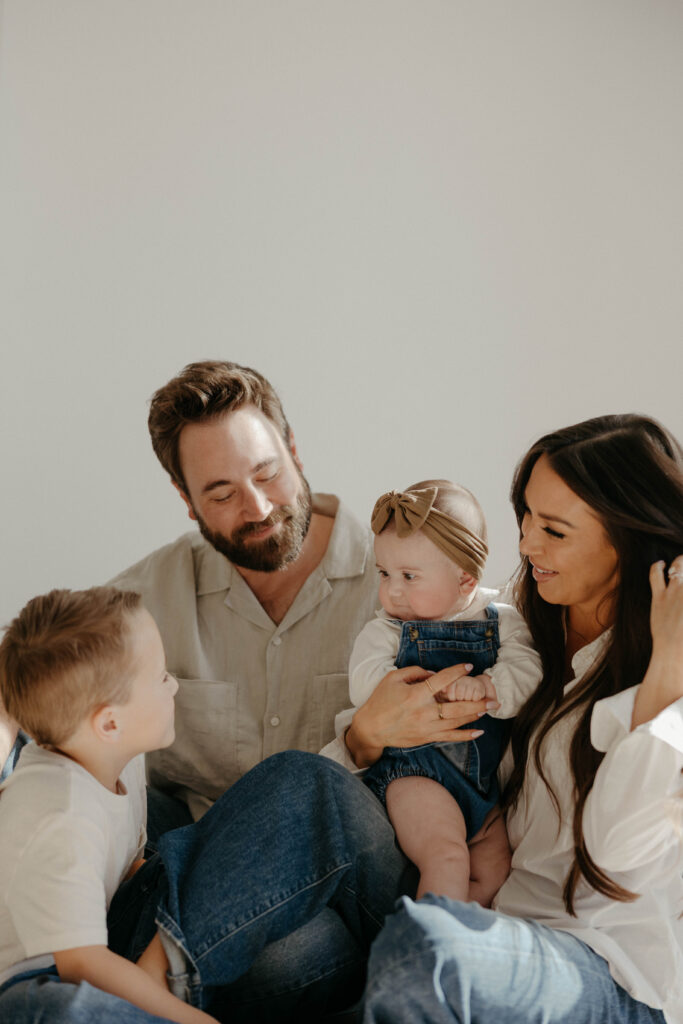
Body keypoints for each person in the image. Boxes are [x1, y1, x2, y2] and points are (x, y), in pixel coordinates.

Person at [358, 413, 683, 1024]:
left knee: (430, 949)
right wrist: (362, 738)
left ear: (628, 537)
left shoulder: (672, 669)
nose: (527, 544)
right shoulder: (517, 635)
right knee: (303, 793)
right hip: (499, 923)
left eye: (554, 530)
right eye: (526, 518)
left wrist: (668, 672)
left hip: (610, 972)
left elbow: (616, 853)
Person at [0, 586, 417, 1024]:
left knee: (305, 799)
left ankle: (429, 949)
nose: (174, 685)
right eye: (161, 677)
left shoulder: (110, 755)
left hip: (124, 929)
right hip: (61, 979)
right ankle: (433, 958)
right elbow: (83, 967)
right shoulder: (60, 814)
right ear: (110, 722)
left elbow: (131, 873)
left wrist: (222, 879)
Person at [109, 360, 382, 825]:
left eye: (267, 474)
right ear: (186, 499)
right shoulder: (146, 598)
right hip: (194, 849)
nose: (257, 508)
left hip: (342, 855)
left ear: (293, 451)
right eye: (221, 495)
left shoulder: (399, 584)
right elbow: (31, 666)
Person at [324, 479, 541, 905]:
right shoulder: (386, 629)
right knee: (446, 857)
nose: (393, 591)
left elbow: (528, 672)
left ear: (465, 580)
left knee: (495, 874)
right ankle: (425, 950)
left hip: (486, 788)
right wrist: (427, 691)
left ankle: (457, 951)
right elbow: (365, 682)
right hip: (416, 778)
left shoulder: (505, 621)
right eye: (384, 574)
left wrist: (487, 686)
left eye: (409, 576)